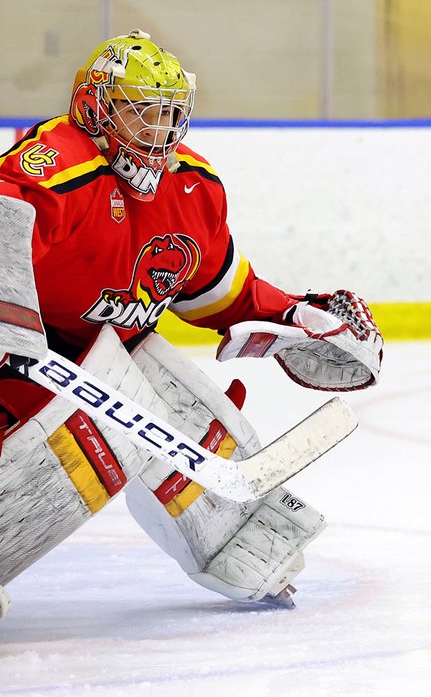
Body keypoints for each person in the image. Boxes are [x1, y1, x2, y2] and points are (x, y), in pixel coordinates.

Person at [0, 30, 383, 621]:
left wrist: (291, 314)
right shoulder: (58, 165)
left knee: (197, 425)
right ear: (96, 106)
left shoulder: (191, 186)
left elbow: (216, 292)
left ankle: (237, 548)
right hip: (21, 353)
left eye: (170, 113)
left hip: (104, 353)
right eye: (142, 111)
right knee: (66, 450)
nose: (160, 130)